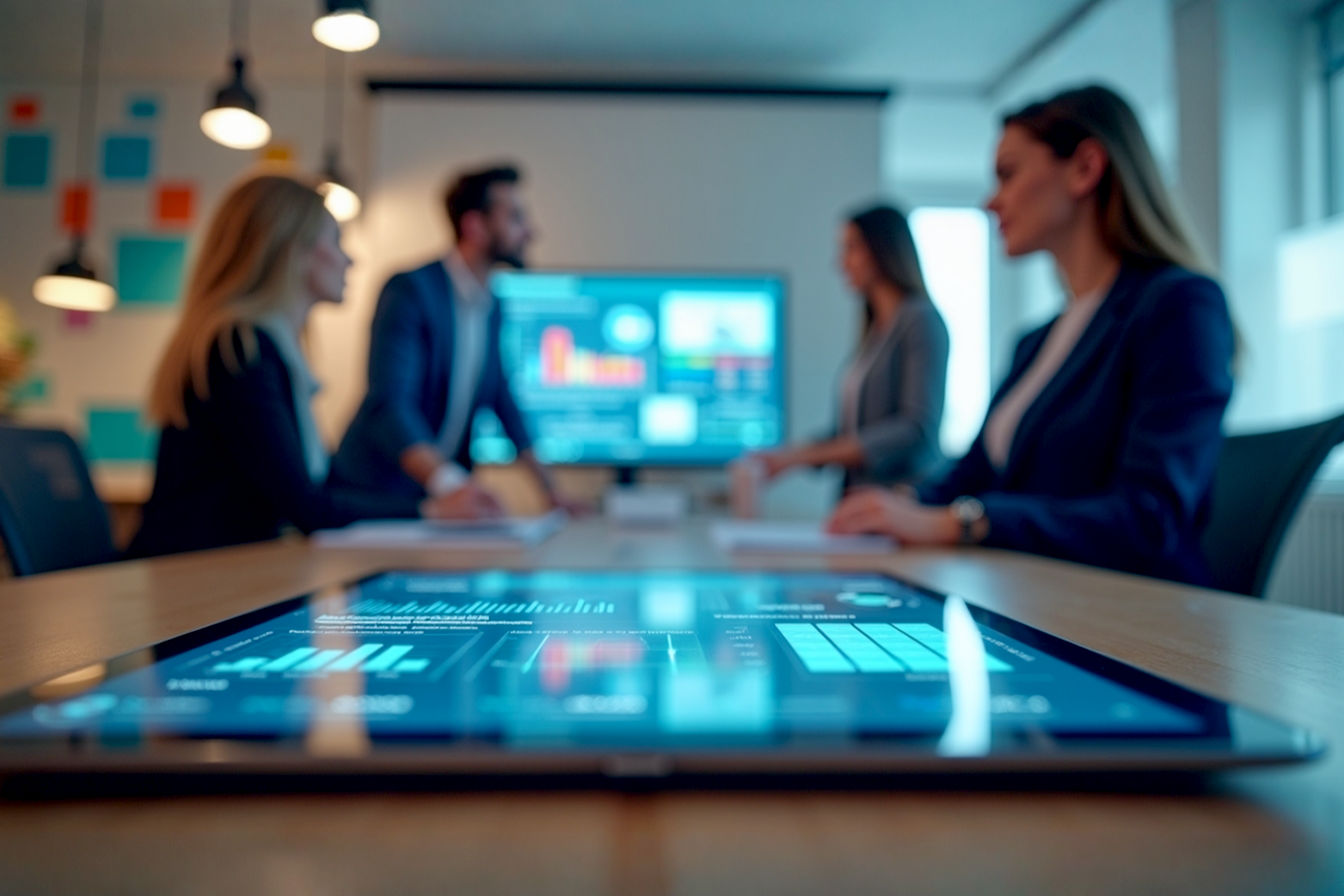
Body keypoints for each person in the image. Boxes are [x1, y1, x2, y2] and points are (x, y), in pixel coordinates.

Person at [828, 84, 1236, 586]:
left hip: (1132, 619)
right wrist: (898, 505)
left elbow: (1149, 516)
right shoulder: (1037, 340)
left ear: (1085, 168)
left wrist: (958, 521)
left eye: (1008, 174)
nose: (990, 202)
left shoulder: (1179, 304)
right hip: (1032, 598)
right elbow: (972, 472)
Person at [128, 174, 497, 558]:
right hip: (188, 584)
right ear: (294, 252)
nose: (349, 259)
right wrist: (431, 510)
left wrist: (432, 505)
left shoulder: (272, 349)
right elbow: (306, 505)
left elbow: (326, 488)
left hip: (221, 573)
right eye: (336, 242)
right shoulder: (240, 349)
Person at [329, 163, 576, 512]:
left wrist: (551, 491)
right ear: (474, 225)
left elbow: (503, 400)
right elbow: (390, 405)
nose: (530, 232)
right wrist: (452, 485)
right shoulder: (412, 291)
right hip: (376, 497)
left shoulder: (491, 304)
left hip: (434, 501)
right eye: (516, 217)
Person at [750, 204, 949, 490]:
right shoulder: (875, 331)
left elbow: (915, 429)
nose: (841, 263)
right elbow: (849, 433)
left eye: (851, 248)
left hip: (899, 500)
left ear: (882, 249)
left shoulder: (920, 320)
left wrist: (801, 457)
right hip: (858, 501)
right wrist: (788, 457)